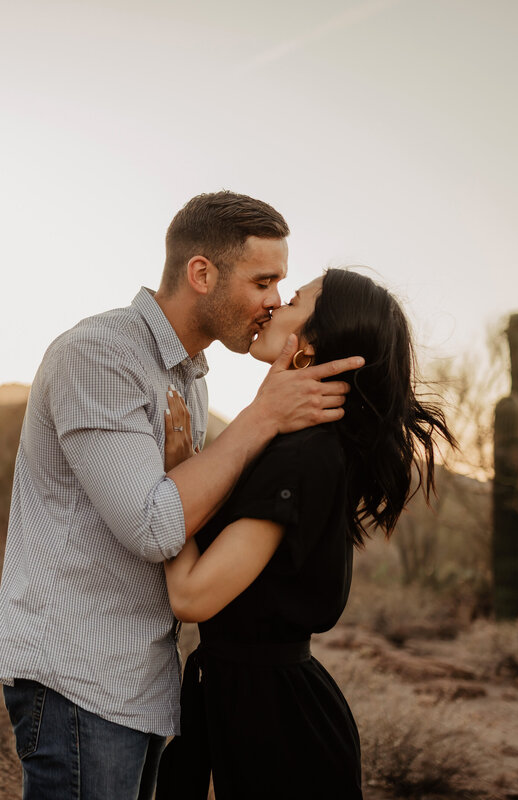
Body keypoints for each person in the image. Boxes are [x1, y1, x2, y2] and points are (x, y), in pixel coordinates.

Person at [0, 191, 365, 800]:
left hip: (141, 682)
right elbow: (154, 525)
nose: (274, 299)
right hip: (81, 679)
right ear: (202, 273)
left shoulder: (186, 376)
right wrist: (259, 418)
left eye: (283, 284)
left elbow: (192, 506)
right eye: (264, 280)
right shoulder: (101, 354)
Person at [155, 268, 454, 799]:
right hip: (259, 708)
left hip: (278, 729)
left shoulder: (303, 456)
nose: (273, 306)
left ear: (310, 346)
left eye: (292, 300)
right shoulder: (296, 444)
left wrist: (176, 479)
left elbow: (192, 594)